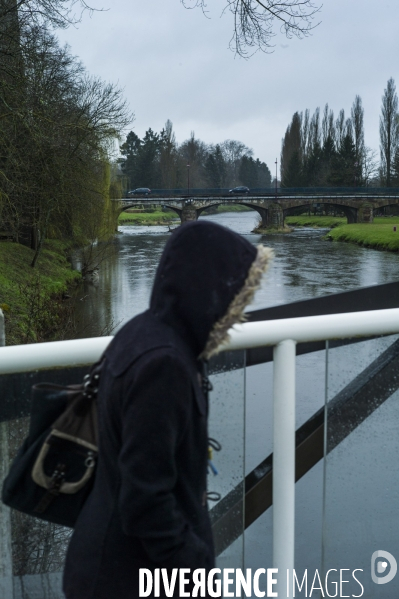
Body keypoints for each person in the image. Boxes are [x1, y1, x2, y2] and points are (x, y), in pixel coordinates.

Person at [63, 220, 272, 599]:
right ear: (207, 287)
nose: (238, 310)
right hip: (127, 577)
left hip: (109, 562)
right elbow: (146, 498)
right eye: (236, 295)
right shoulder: (166, 364)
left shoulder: (142, 333)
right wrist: (195, 570)